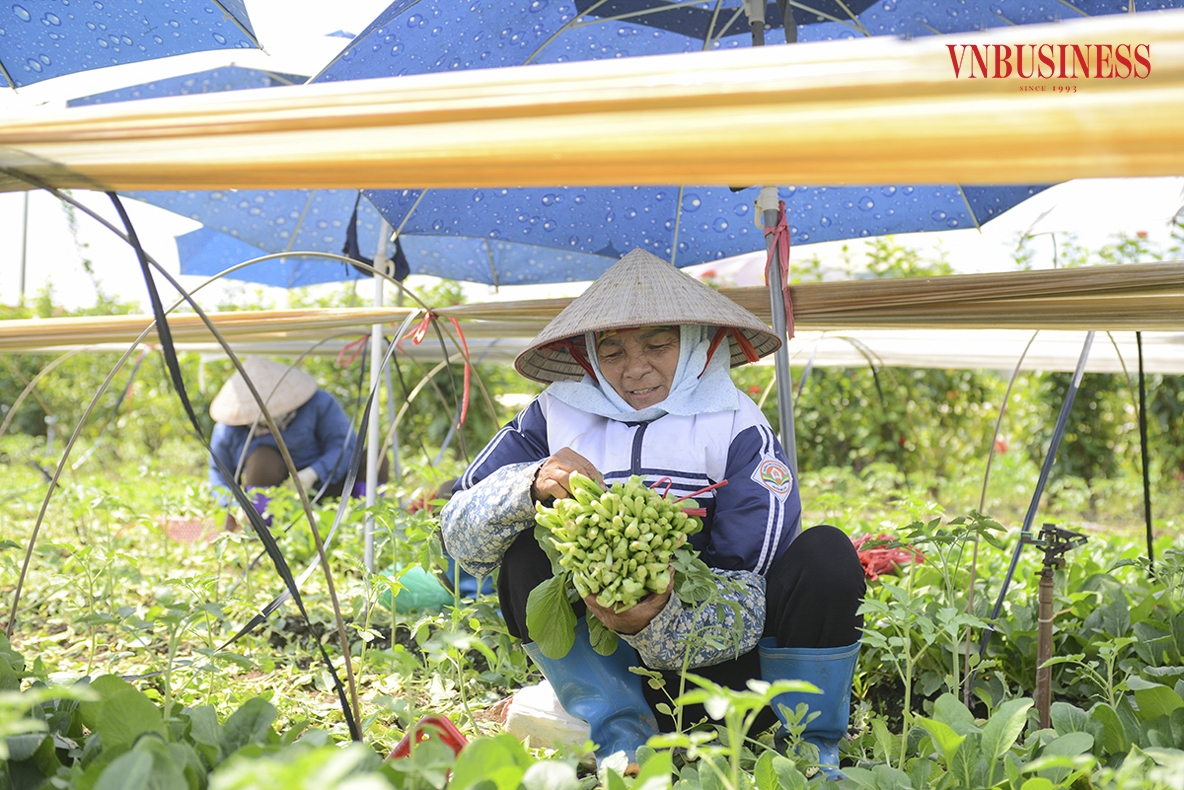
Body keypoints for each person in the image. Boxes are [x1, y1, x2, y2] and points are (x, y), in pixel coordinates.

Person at [440, 249, 866, 776]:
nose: (635, 368)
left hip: (731, 687)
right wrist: (526, 485)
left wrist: (658, 618)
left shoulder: (736, 426)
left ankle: (807, 748)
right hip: (616, 676)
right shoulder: (554, 411)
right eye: (612, 351)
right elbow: (457, 537)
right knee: (525, 545)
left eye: (658, 345)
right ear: (589, 353)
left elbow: (751, 585)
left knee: (827, 553)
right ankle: (622, 738)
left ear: (692, 345)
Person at [208, 357, 388, 527]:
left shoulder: (319, 404)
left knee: (375, 457)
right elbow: (219, 473)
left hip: (329, 486)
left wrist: (312, 473)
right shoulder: (227, 429)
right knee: (261, 458)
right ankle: (263, 529)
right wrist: (233, 506)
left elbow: (344, 444)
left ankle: (365, 523)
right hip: (277, 497)